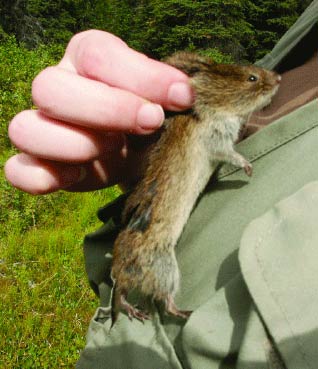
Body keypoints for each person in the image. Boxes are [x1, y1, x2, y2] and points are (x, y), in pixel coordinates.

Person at [5, 1, 318, 368]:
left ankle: (151, 301)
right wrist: (141, 155)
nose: (272, 81)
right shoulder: (305, 34)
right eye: (252, 79)